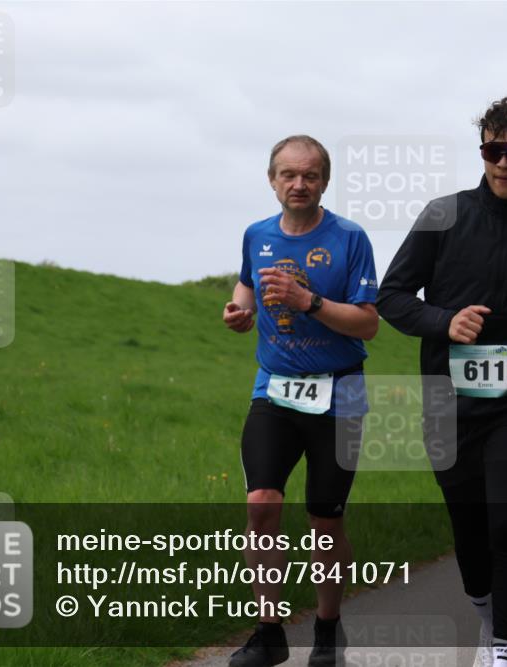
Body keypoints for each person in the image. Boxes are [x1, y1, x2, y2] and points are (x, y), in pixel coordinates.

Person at [377, 96, 507, 667]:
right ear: (483, 152)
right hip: (448, 402)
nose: (503, 162)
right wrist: (444, 321)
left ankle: (504, 648)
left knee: (504, 520)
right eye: (492, 149)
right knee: (468, 528)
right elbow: (392, 297)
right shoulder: (441, 215)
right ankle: (485, 614)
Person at [223, 135, 379, 667]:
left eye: (309, 175)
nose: (298, 184)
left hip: (340, 394)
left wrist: (307, 301)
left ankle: (328, 629)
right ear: (271, 180)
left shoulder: (350, 238)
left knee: (324, 519)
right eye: (288, 175)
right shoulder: (256, 235)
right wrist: (238, 312)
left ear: (324, 182)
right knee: (261, 503)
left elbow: (368, 323)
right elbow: (246, 287)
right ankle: (269, 633)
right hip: (275, 390)